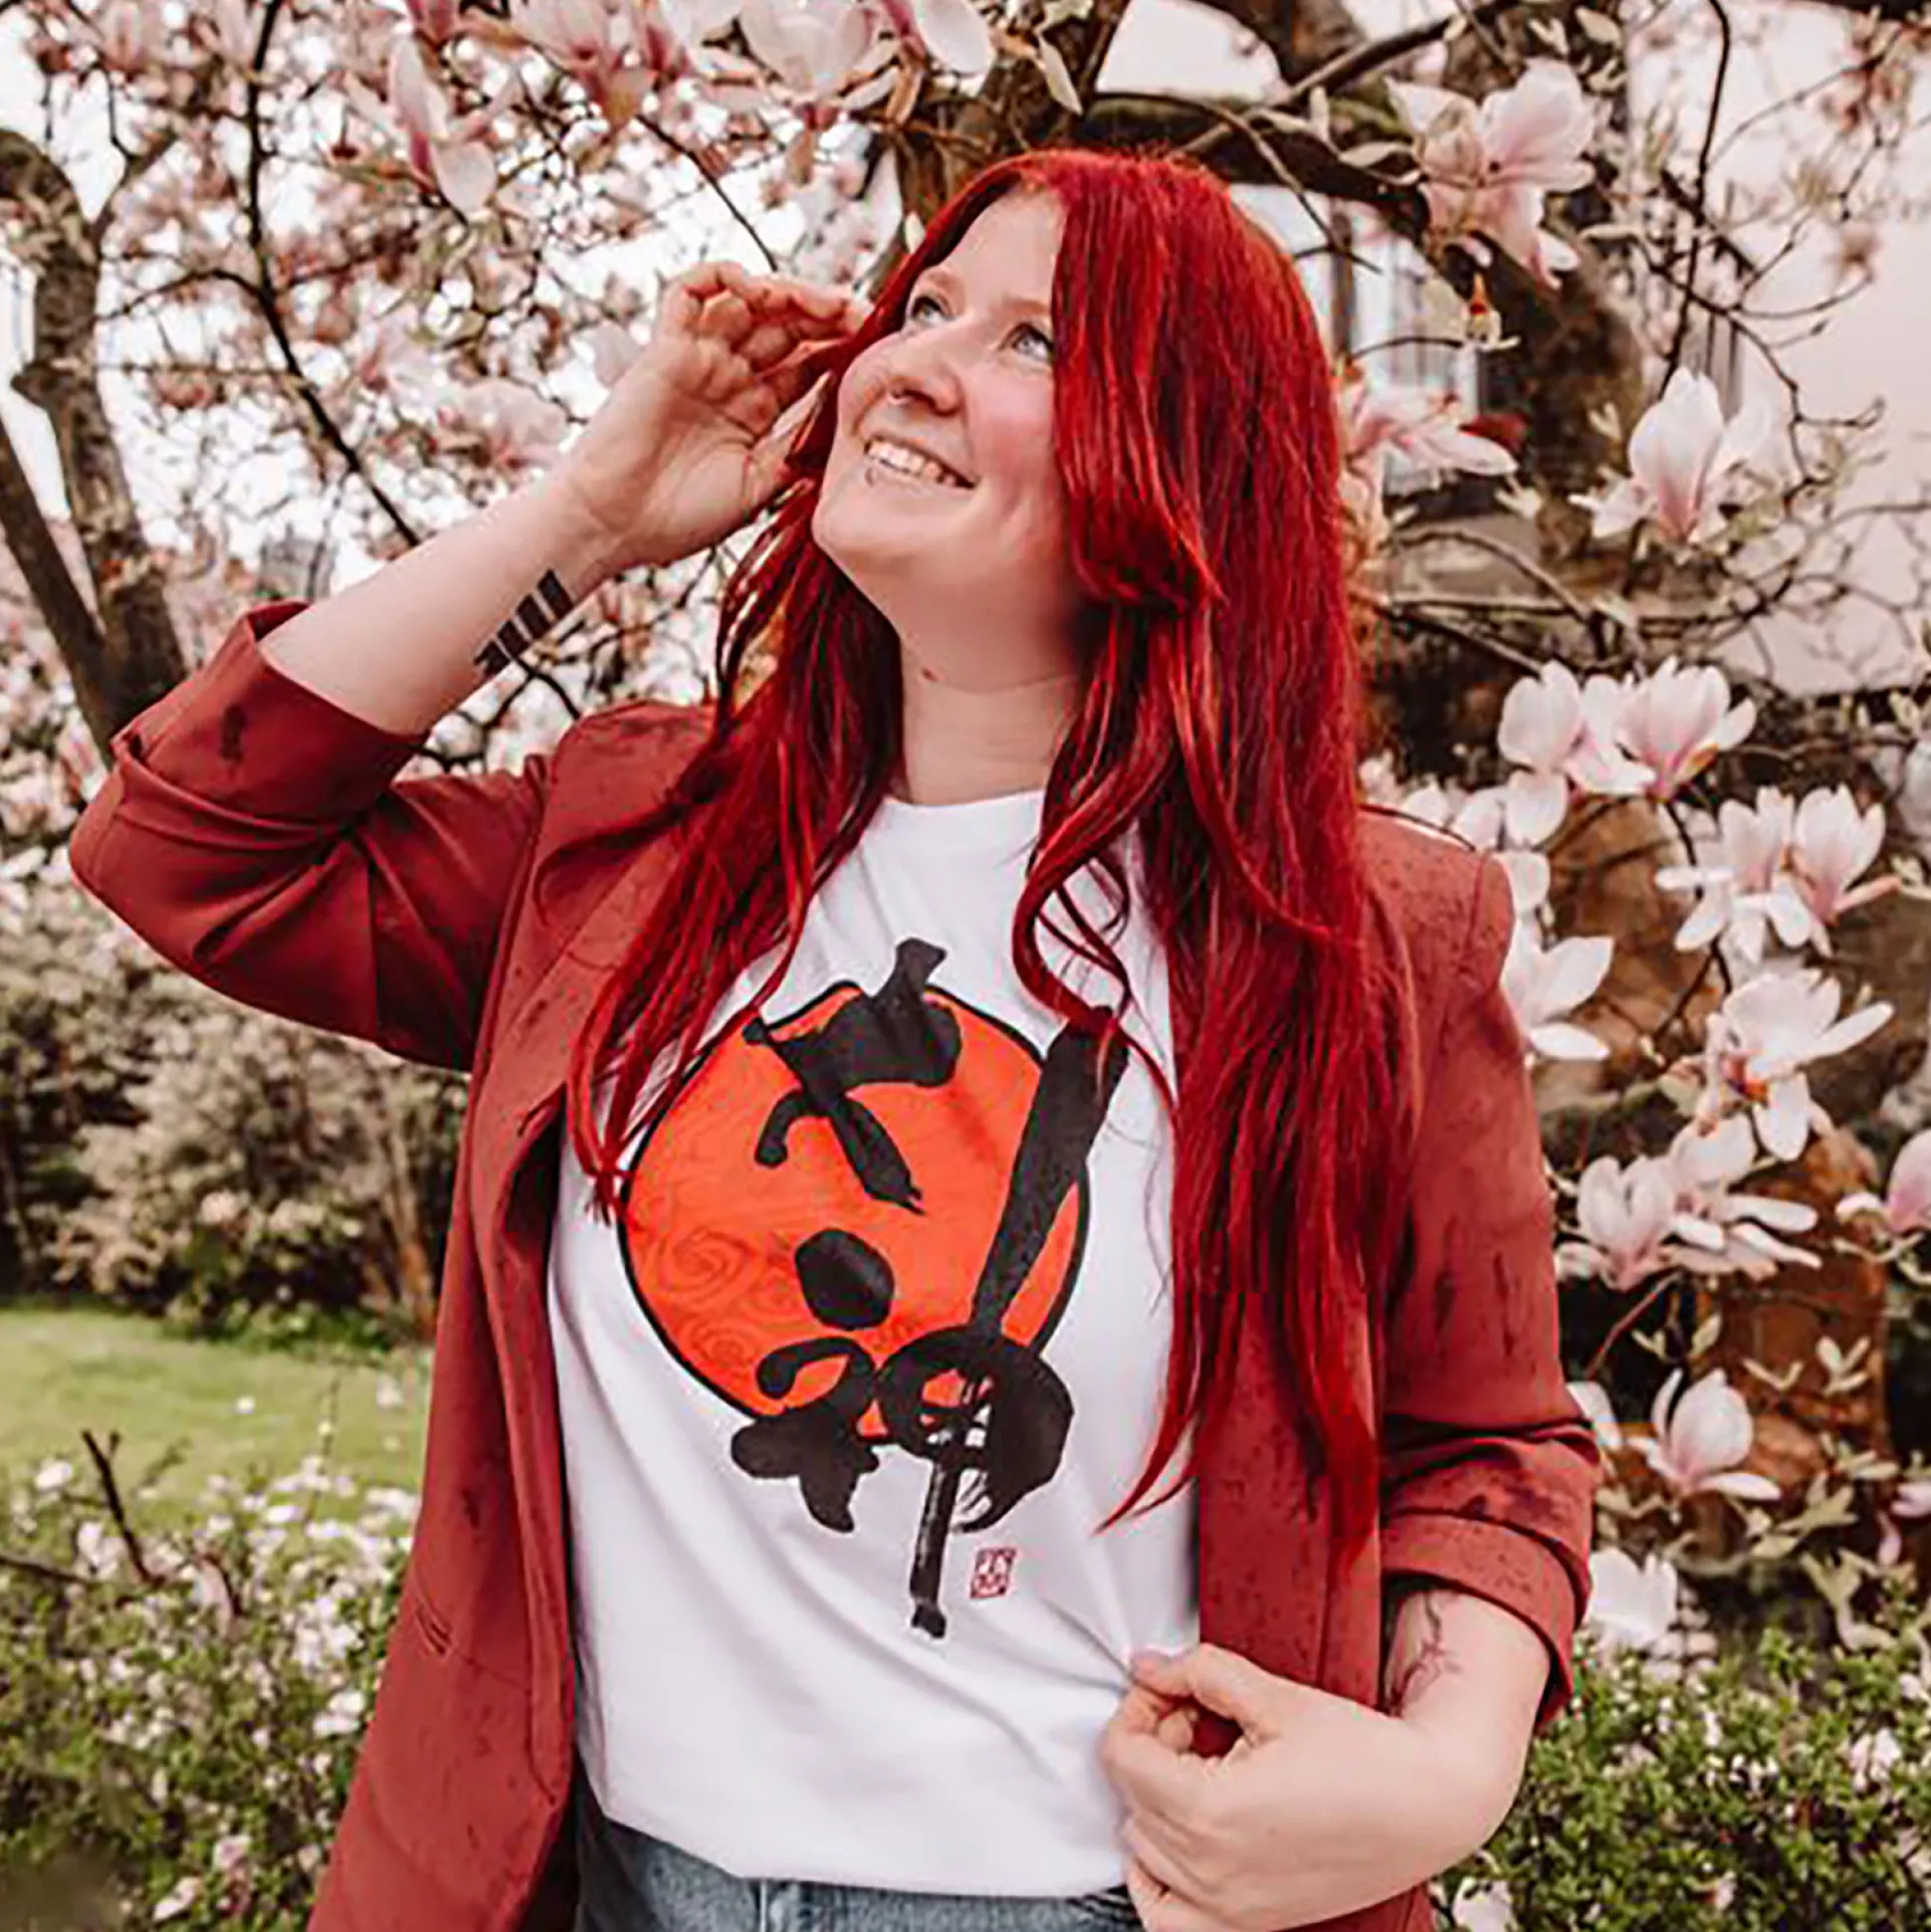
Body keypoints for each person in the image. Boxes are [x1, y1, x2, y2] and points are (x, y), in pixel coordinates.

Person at [70, 145, 1601, 1932]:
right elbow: (188, 849)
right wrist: (588, 513)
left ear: (1186, 466)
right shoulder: (630, 850)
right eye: (924, 307)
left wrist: (1446, 1774)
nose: (916, 362)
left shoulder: (1362, 940)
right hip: (609, 1883)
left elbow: (1483, 1449)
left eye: (1033, 341)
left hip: (1083, 1901)